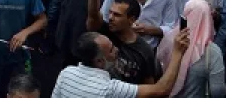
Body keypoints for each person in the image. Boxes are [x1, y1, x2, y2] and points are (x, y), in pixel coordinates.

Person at [51, 30, 189, 98]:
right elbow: (161, 89)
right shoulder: (109, 89)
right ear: (99, 61)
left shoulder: (66, 73)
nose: (116, 50)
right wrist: (177, 53)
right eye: (111, 50)